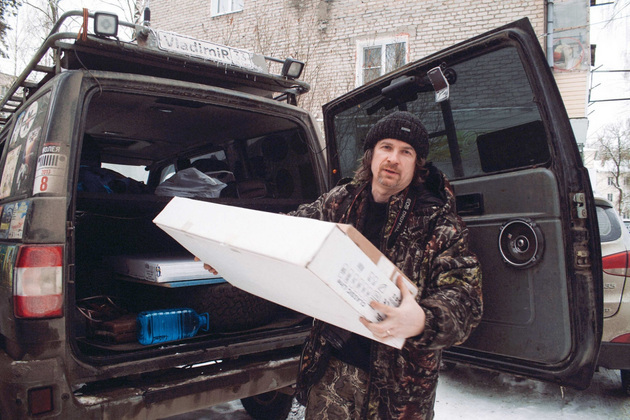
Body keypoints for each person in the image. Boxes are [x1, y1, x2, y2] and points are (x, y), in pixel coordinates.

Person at [201, 111, 482, 419]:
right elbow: (288, 231)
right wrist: (230, 248)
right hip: (333, 369)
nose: (394, 158)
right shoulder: (341, 201)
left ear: (417, 165)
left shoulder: (440, 223)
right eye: (386, 147)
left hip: (400, 388)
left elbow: (464, 297)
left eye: (406, 152)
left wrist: (422, 320)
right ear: (371, 154)